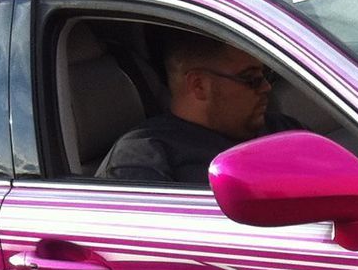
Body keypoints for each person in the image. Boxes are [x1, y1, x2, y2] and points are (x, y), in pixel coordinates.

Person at [97, 30, 283, 183]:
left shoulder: (283, 130)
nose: (266, 86)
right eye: (251, 79)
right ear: (199, 85)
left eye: (267, 74)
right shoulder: (144, 159)